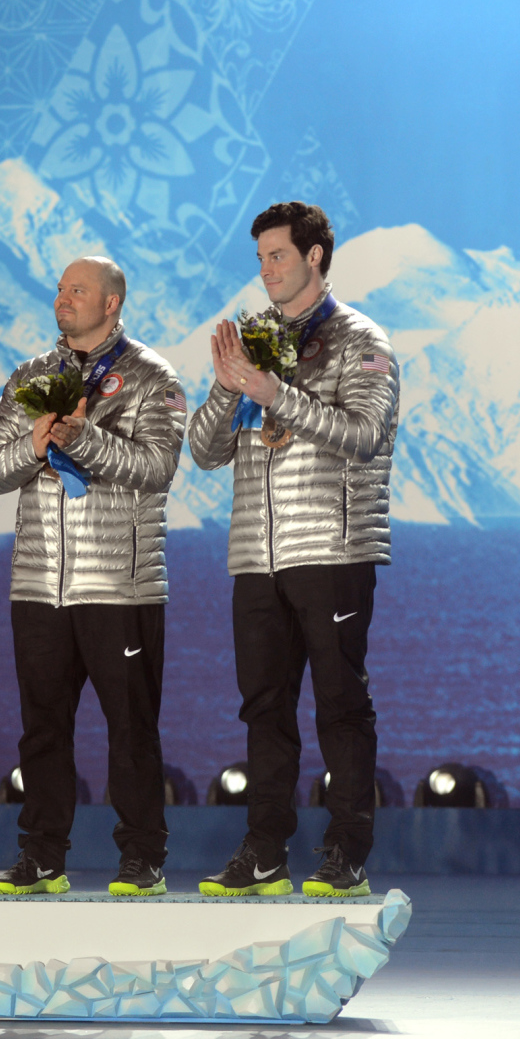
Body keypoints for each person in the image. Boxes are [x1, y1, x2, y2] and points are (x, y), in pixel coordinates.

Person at [189, 202, 398, 899]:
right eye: (260, 259)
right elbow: (203, 450)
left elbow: (366, 433)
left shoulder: (362, 339)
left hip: (334, 550)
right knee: (264, 710)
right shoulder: (251, 343)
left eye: (277, 255)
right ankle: (265, 851)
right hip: (256, 555)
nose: (266, 270)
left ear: (314, 257)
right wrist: (229, 389)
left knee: (340, 706)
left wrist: (274, 393)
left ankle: (346, 852)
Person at [0, 258, 186, 896]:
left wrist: (82, 439)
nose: (62, 298)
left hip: (119, 585)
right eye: (61, 289)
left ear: (113, 302)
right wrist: (36, 446)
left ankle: (142, 859)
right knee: (41, 727)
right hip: (39, 584)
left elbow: (158, 468)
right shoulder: (31, 376)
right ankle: (42, 858)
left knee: (131, 728)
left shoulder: (153, 377)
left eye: (78, 290)